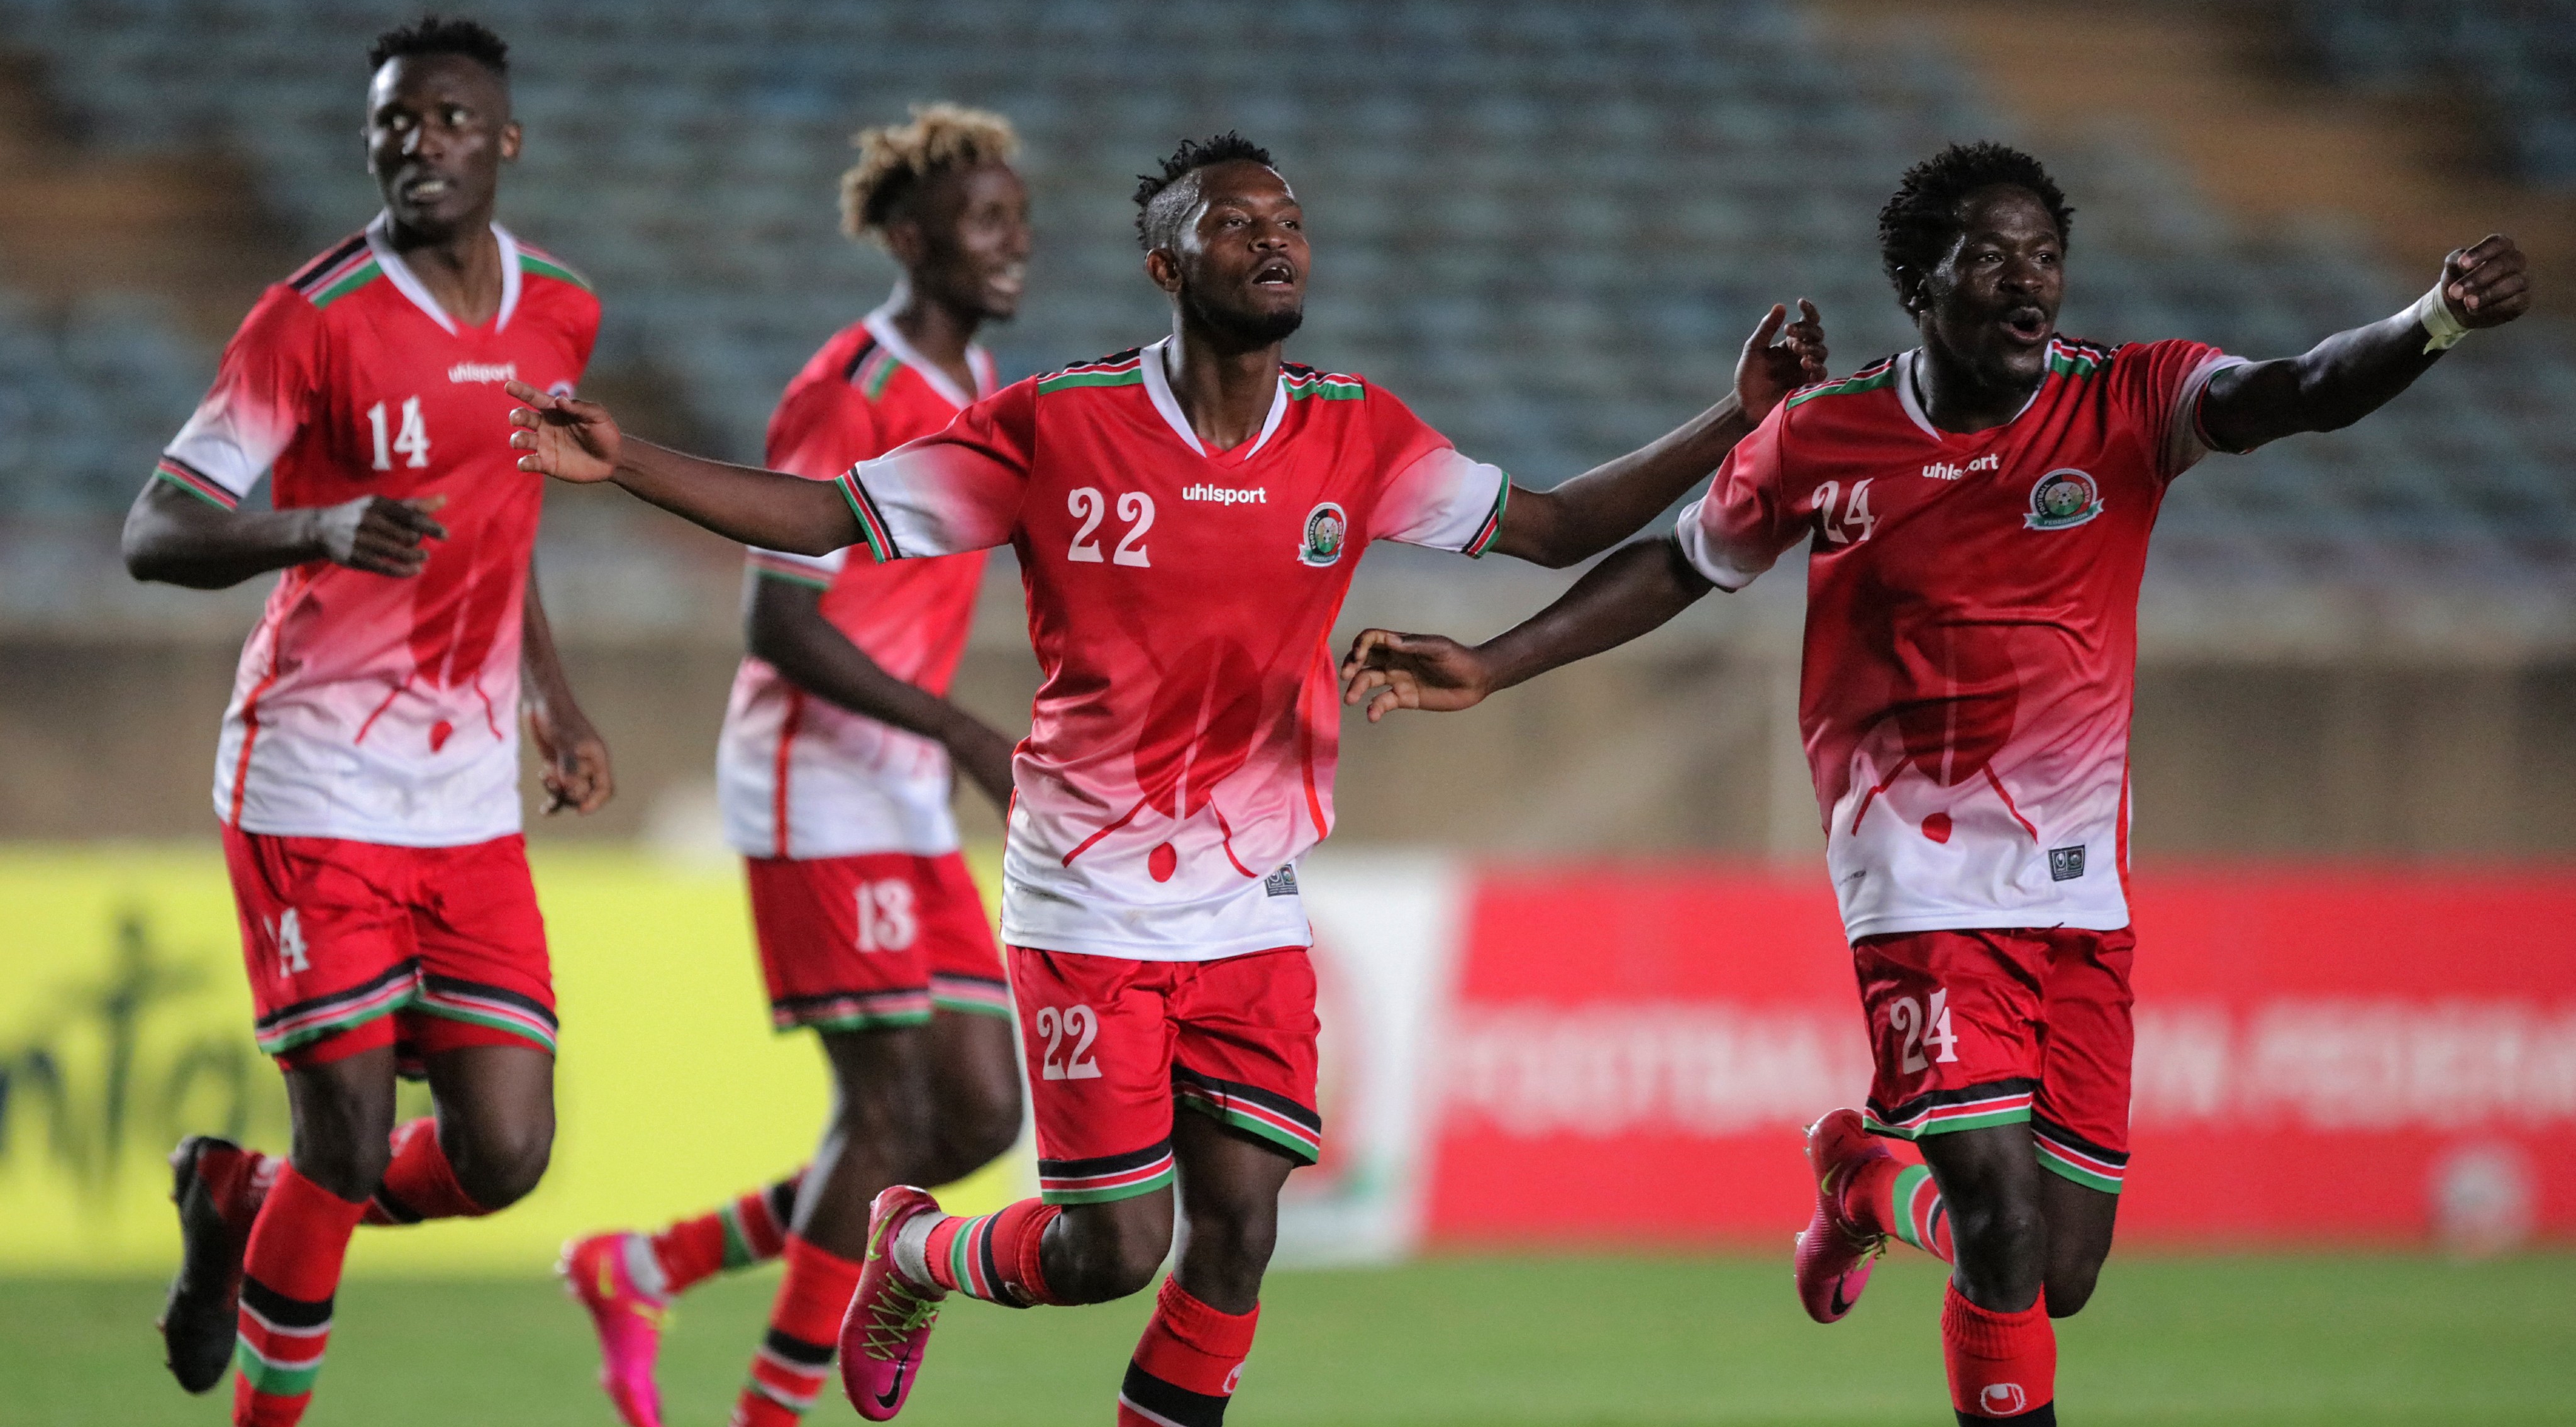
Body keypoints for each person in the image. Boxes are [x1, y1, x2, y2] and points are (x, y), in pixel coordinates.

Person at [506, 132, 1824, 1423]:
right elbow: (833, 514)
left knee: (1240, 1231)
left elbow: (1552, 528)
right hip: (1086, 892)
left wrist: (1732, 416)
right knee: (1110, 1251)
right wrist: (629, 468)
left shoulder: (1353, 431)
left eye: (1289, 221)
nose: (1274, 241)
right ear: (1164, 266)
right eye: (1236, 223)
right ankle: (911, 1252)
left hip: (1249, 889)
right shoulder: (1056, 424)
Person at [1336, 141, 2530, 1425]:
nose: (2028, 280)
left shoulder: (2126, 399)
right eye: (1991, 257)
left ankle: (1856, 1179)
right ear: (1920, 283)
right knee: (1999, 1227)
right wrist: (1493, 665)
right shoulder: (1821, 434)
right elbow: (1681, 565)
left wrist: (2433, 321)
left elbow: (2294, 389)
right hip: (1912, 878)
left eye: (2045, 257)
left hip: (2077, 898)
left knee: (2055, 1271)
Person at [121, 15, 613, 1427]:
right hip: (311, 784)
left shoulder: (559, 316)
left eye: (450, 119)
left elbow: (508, 527)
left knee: (506, 1151)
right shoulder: (311, 317)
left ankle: (233, 1201)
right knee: (341, 1144)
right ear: (371, 141)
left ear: (503, 142)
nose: (420, 143)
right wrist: (316, 524)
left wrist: (554, 702)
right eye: (395, 121)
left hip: (464, 807)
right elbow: (156, 532)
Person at [557, 103, 1031, 1427]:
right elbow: (780, 618)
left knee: (980, 1111)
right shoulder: (853, 388)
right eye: (984, 219)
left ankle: (645, 1266)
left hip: (900, 788)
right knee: (883, 1112)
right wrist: (964, 732)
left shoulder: (981, 391)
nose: (1014, 243)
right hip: (814, 780)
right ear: (905, 233)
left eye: (1019, 219)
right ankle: (771, 1411)